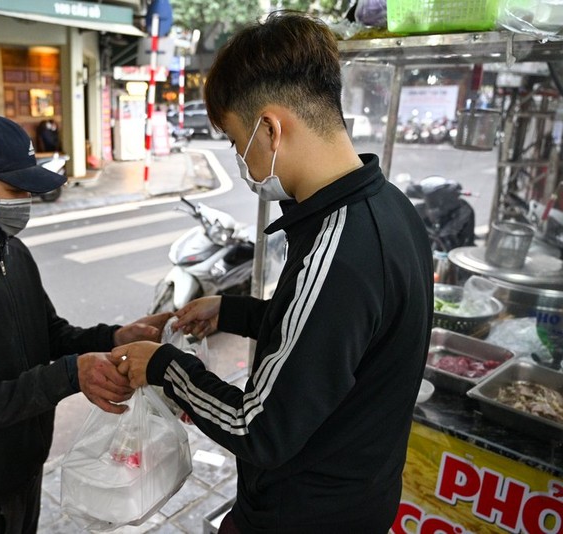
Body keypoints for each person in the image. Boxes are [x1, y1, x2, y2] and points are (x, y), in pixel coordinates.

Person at [111, 11, 434, 533]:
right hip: (359, 498)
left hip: (303, 514)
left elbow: (257, 426)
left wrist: (163, 366)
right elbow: (330, 337)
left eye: (238, 143)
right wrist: (232, 311)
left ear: (270, 127)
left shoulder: (338, 248)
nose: (242, 161)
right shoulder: (387, 208)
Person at [0, 113, 170, 534]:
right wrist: (70, 376)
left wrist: (114, 336)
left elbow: (50, 334)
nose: (25, 201)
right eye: (15, 189)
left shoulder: (10, 251)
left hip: (27, 460)